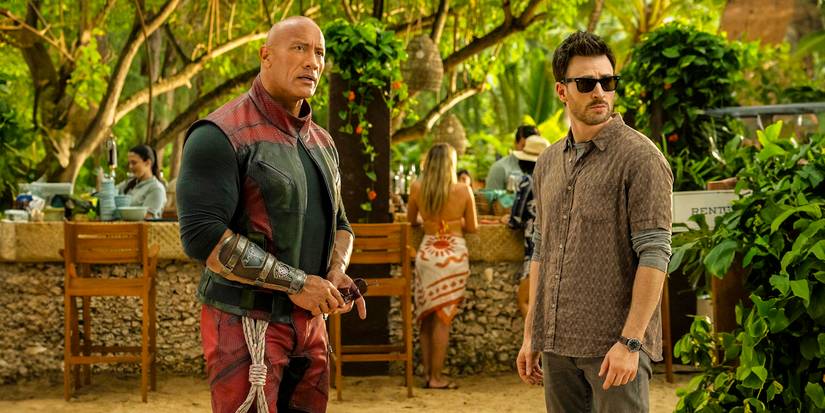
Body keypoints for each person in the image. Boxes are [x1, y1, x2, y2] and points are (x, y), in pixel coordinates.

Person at [176, 16, 366, 413]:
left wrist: (334, 273)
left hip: (310, 326)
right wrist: (297, 283)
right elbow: (203, 237)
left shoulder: (322, 141)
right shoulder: (218, 134)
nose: (312, 61)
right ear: (266, 56)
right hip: (245, 323)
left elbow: (341, 224)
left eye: (319, 53)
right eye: (299, 48)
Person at [517, 31, 673, 413]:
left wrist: (631, 343)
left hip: (615, 349)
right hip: (556, 346)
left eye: (608, 81)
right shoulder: (547, 163)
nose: (600, 92)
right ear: (562, 91)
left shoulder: (641, 159)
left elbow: (655, 253)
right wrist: (531, 333)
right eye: (586, 83)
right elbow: (541, 249)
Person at [407, 143, 478, 390]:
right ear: (451, 164)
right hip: (453, 255)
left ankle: (428, 374)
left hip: (427, 253)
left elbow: (411, 221)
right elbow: (473, 227)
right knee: (443, 318)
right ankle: (437, 377)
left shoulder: (416, 187)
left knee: (426, 317)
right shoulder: (463, 189)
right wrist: (454, 221)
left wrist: (429, 220)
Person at [506, 135, 549, 318]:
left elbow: (515, 221)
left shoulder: (527, 181)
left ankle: (532, 338)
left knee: (524, 300)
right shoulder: (557, 179)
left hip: (535, 251)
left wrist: (508, 219)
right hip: (557, 251)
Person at [117, 144, 167, 219]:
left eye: (134, 163)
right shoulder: (127, 184)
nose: (130, 166)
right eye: (129, 163)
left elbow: (146, 218)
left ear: (148, 163)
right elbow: (109, 194)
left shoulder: (156, 189)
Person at [485, 124, 539, 190]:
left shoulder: (544, 169)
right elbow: (491, 195)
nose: (528, 150)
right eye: (523, 145)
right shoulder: (500, 168)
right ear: (515, 143)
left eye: (533, 147)